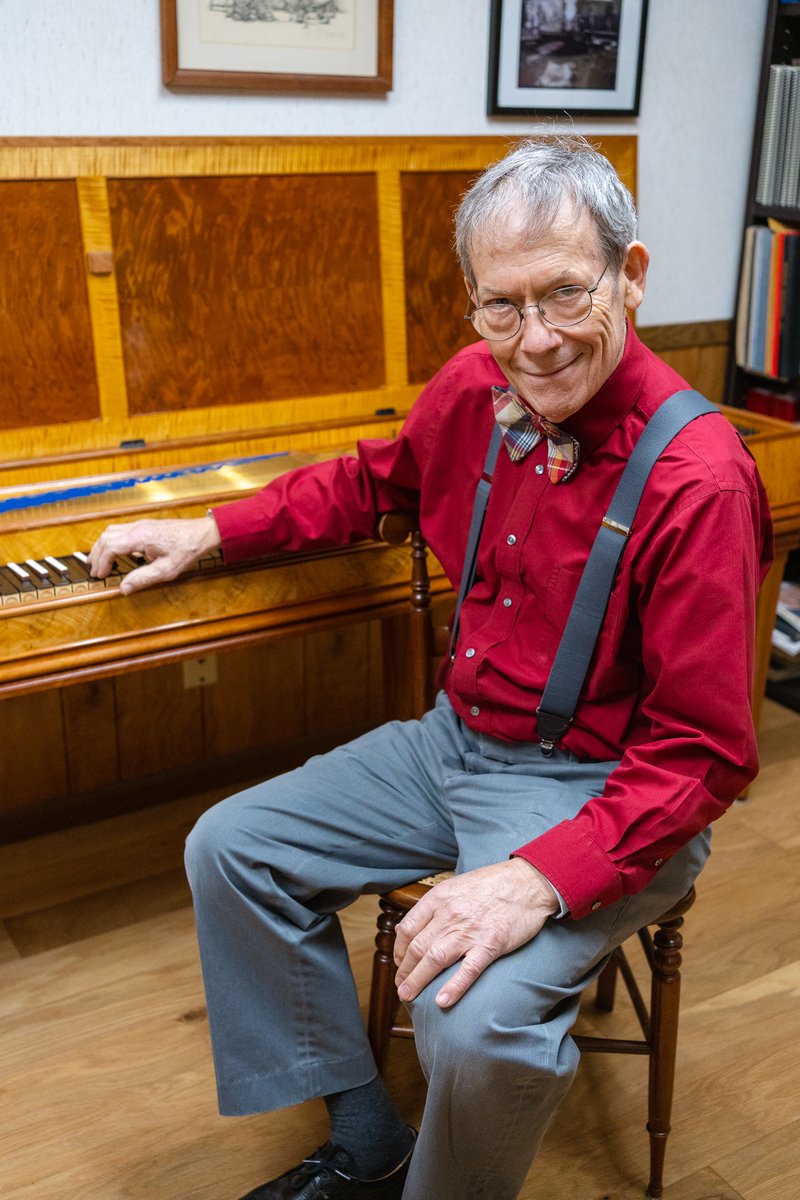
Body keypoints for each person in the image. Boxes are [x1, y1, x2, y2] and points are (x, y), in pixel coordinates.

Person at [88, 136, 773, 1200]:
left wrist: (534, 877)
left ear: (630, 278)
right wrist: (212, 533)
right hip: (450, 742)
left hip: (604, 790)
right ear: (471, 304)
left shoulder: (698, 481)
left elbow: (701, 756)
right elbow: (368, 484)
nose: (533, 341)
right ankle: (367, 1137)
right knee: (230, 848)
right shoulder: (472, 383)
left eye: (562, 295)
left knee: (482, 1029)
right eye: (500, 307)